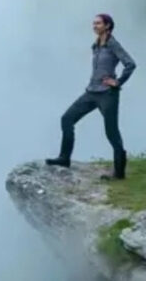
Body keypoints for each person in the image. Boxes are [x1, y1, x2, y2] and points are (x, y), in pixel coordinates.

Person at [45, 13, 135, 179]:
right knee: (67, 119)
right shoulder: (96, 45)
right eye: (94, 23)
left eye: (98, 23)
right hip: (92, 91)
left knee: (111, 132)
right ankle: (64, 158)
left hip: (107, 94)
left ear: (107, 26)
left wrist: (118, 82)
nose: (94, 26)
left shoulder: (113, 44)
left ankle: (119, 172)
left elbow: (130, 64)